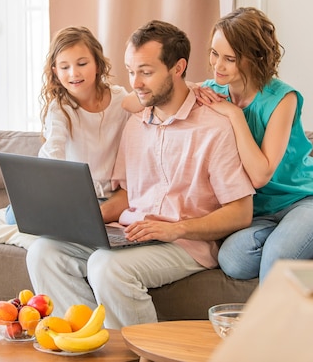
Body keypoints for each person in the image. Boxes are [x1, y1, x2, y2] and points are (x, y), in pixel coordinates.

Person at [25, 20, 255, 329]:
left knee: (106, 266)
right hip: (131, 232)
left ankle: (145, 353)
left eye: (146, 72)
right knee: (43, 252)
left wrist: (178, 229)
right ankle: (86, 343)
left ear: (178, 67)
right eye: (131, 72)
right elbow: (128, 194)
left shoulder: (214, 126)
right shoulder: (135, 123)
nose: (136, 83)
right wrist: (86, 222)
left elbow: (241, 213)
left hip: (182, 243)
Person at [193, 7, 313, 282]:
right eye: (214, 53)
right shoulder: (210, 91)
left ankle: (264, 324)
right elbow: (153, 97)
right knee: (233, 260)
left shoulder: (282, 98)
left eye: (229, 59)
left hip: (306, 200)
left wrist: (234, 114)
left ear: (255, 58)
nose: (217, 66)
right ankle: (309, 245)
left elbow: (260, 174)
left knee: (276, 257)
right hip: (260, 212)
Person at [6, 26, 130, 224]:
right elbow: (52, 152)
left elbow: (149, 110)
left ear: (97, 65)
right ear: (55, 72)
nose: (74, 73)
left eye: (82, 63)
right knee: (15, 216)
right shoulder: (60, 108)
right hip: (70, 196)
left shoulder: (120, 99)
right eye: (65, 67)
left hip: (108, 196)